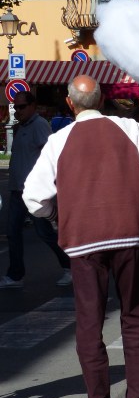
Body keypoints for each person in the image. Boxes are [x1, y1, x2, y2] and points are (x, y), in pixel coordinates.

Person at [22, 75, 139, 398]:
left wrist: (58, 215)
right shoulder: (128, 129)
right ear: (101, 99)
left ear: (70, 104)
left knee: (89, 322)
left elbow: (33, 197)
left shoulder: (59, 140)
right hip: (131, 235)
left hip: (83, 241)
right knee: (135, 315)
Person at [0, 90, 72, 289]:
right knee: (13, 233)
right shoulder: (20, 127)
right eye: (15, 107)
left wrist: (49, 185)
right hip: (17, 190)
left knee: (45, 233)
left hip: (34, 191)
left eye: (22, 107)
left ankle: (69, 266)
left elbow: (50, 154)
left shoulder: (39, 125)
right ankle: (15, 275)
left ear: (33, 106)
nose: (18, 111)